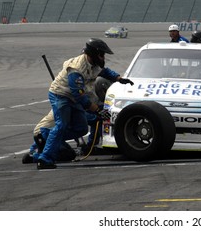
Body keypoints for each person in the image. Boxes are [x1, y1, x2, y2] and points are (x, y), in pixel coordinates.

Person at [34, 38, 134, 169]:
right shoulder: (76, 69)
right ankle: (45, 159)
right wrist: (98, 110)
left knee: (81, 128)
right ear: (93, 53)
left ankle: (47, 135)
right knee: (61, 125)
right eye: (102, 54)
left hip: (74, 98)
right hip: (61, 95)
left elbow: (105, 71)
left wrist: (119, 79)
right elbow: (80, 96)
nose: (103, 58)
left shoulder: (95, 64)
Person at [22, 77, 112, 164]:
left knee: (70, 146)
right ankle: (35, 154)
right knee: (68, 155)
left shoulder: (82, 98)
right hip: (41, 134)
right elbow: (91, 119)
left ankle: (38, 151)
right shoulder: (72, 103)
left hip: (49, 133)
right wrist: (99, 115)